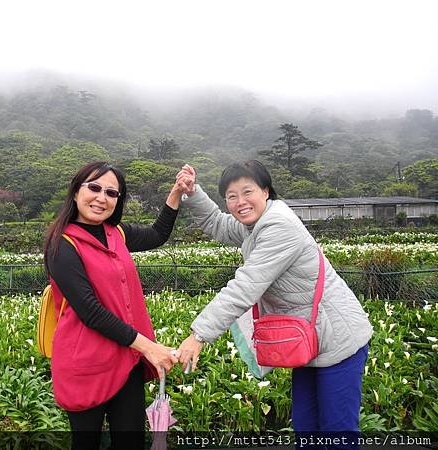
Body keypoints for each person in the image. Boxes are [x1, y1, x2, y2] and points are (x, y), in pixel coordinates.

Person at [175, 161, 373, 447]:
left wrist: (199, 335)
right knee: (306, 429)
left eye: (247, 192)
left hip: (338, 341)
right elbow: (217, 224)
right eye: (232, 196)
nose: (240, 202)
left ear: (265, 191)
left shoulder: (279, 226)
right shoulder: (253, 224)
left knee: (336, 433)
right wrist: (192, 193)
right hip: (309, 339)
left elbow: (245, 287)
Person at [43, 161, 182, 450]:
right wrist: (149, 346)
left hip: (125, 359)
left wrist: (176, 193)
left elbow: (157, 235)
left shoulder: (116, 233)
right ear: (76, 191)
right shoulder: (62, 244)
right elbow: (90, 311)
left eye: (111, 193)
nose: (101, 198)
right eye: (94, 188)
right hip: (85, 365)